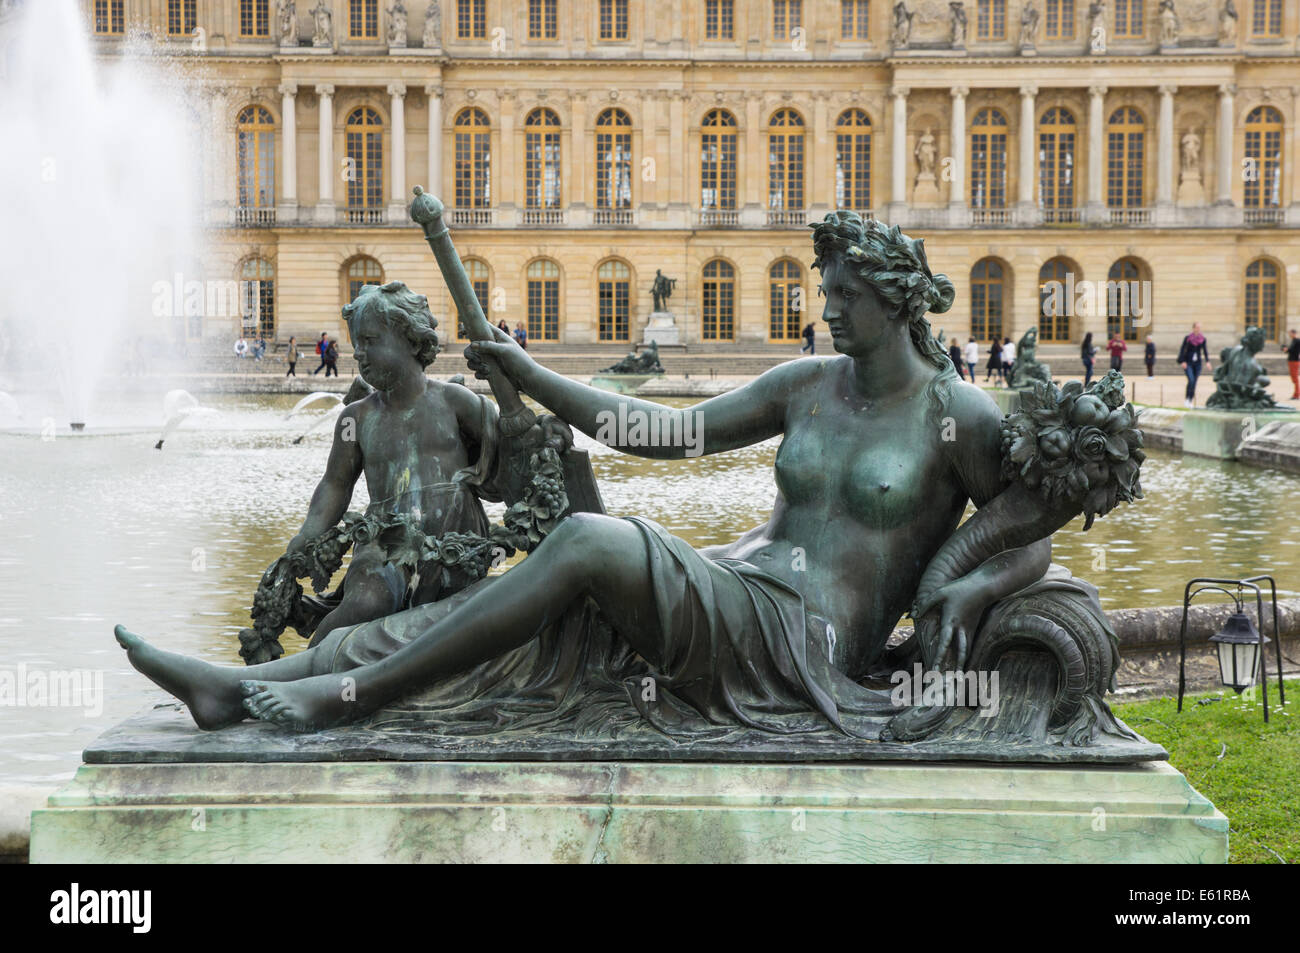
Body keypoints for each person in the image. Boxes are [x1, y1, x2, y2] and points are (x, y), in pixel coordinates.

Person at [114, 212, 1056, 735]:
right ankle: (246, 687)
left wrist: (961, 583)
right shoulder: (806, 383)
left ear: (894, 301)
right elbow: (659, 430)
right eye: (827, 295)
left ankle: (337, 699)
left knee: (584, 543)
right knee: (519, 606)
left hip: (802, 645)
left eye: (844, 297)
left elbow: (1032, 526)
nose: (829, 311)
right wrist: (530, 376)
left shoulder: (957, 413)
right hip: (737, 587)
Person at [1177, 322, 1210, 407]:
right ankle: (1186, 399)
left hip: (1197, 363)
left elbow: (1205, 351)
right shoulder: (1188, 338)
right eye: (1197, 327)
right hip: (1188, 363)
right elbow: (1182, 350)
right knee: (1191, 380)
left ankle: (1190, 400)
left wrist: (1207, 361)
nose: (1198, 329)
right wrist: (1183, 361)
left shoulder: (1202, 339)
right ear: (1194, 328)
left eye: (1200, 327)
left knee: (1194, 382)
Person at [1284, 329, 1300, 400]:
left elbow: (1294, 350)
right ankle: (1296, 393)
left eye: (1290, 333)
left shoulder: (1297, 341)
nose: (1289, 335)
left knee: (1295, 378)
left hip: (1294, 361)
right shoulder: (1294, 340)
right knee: (1294, 378)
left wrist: (1287, 350)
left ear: (1294, 333)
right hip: (1292, 360)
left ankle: (1296, 394)